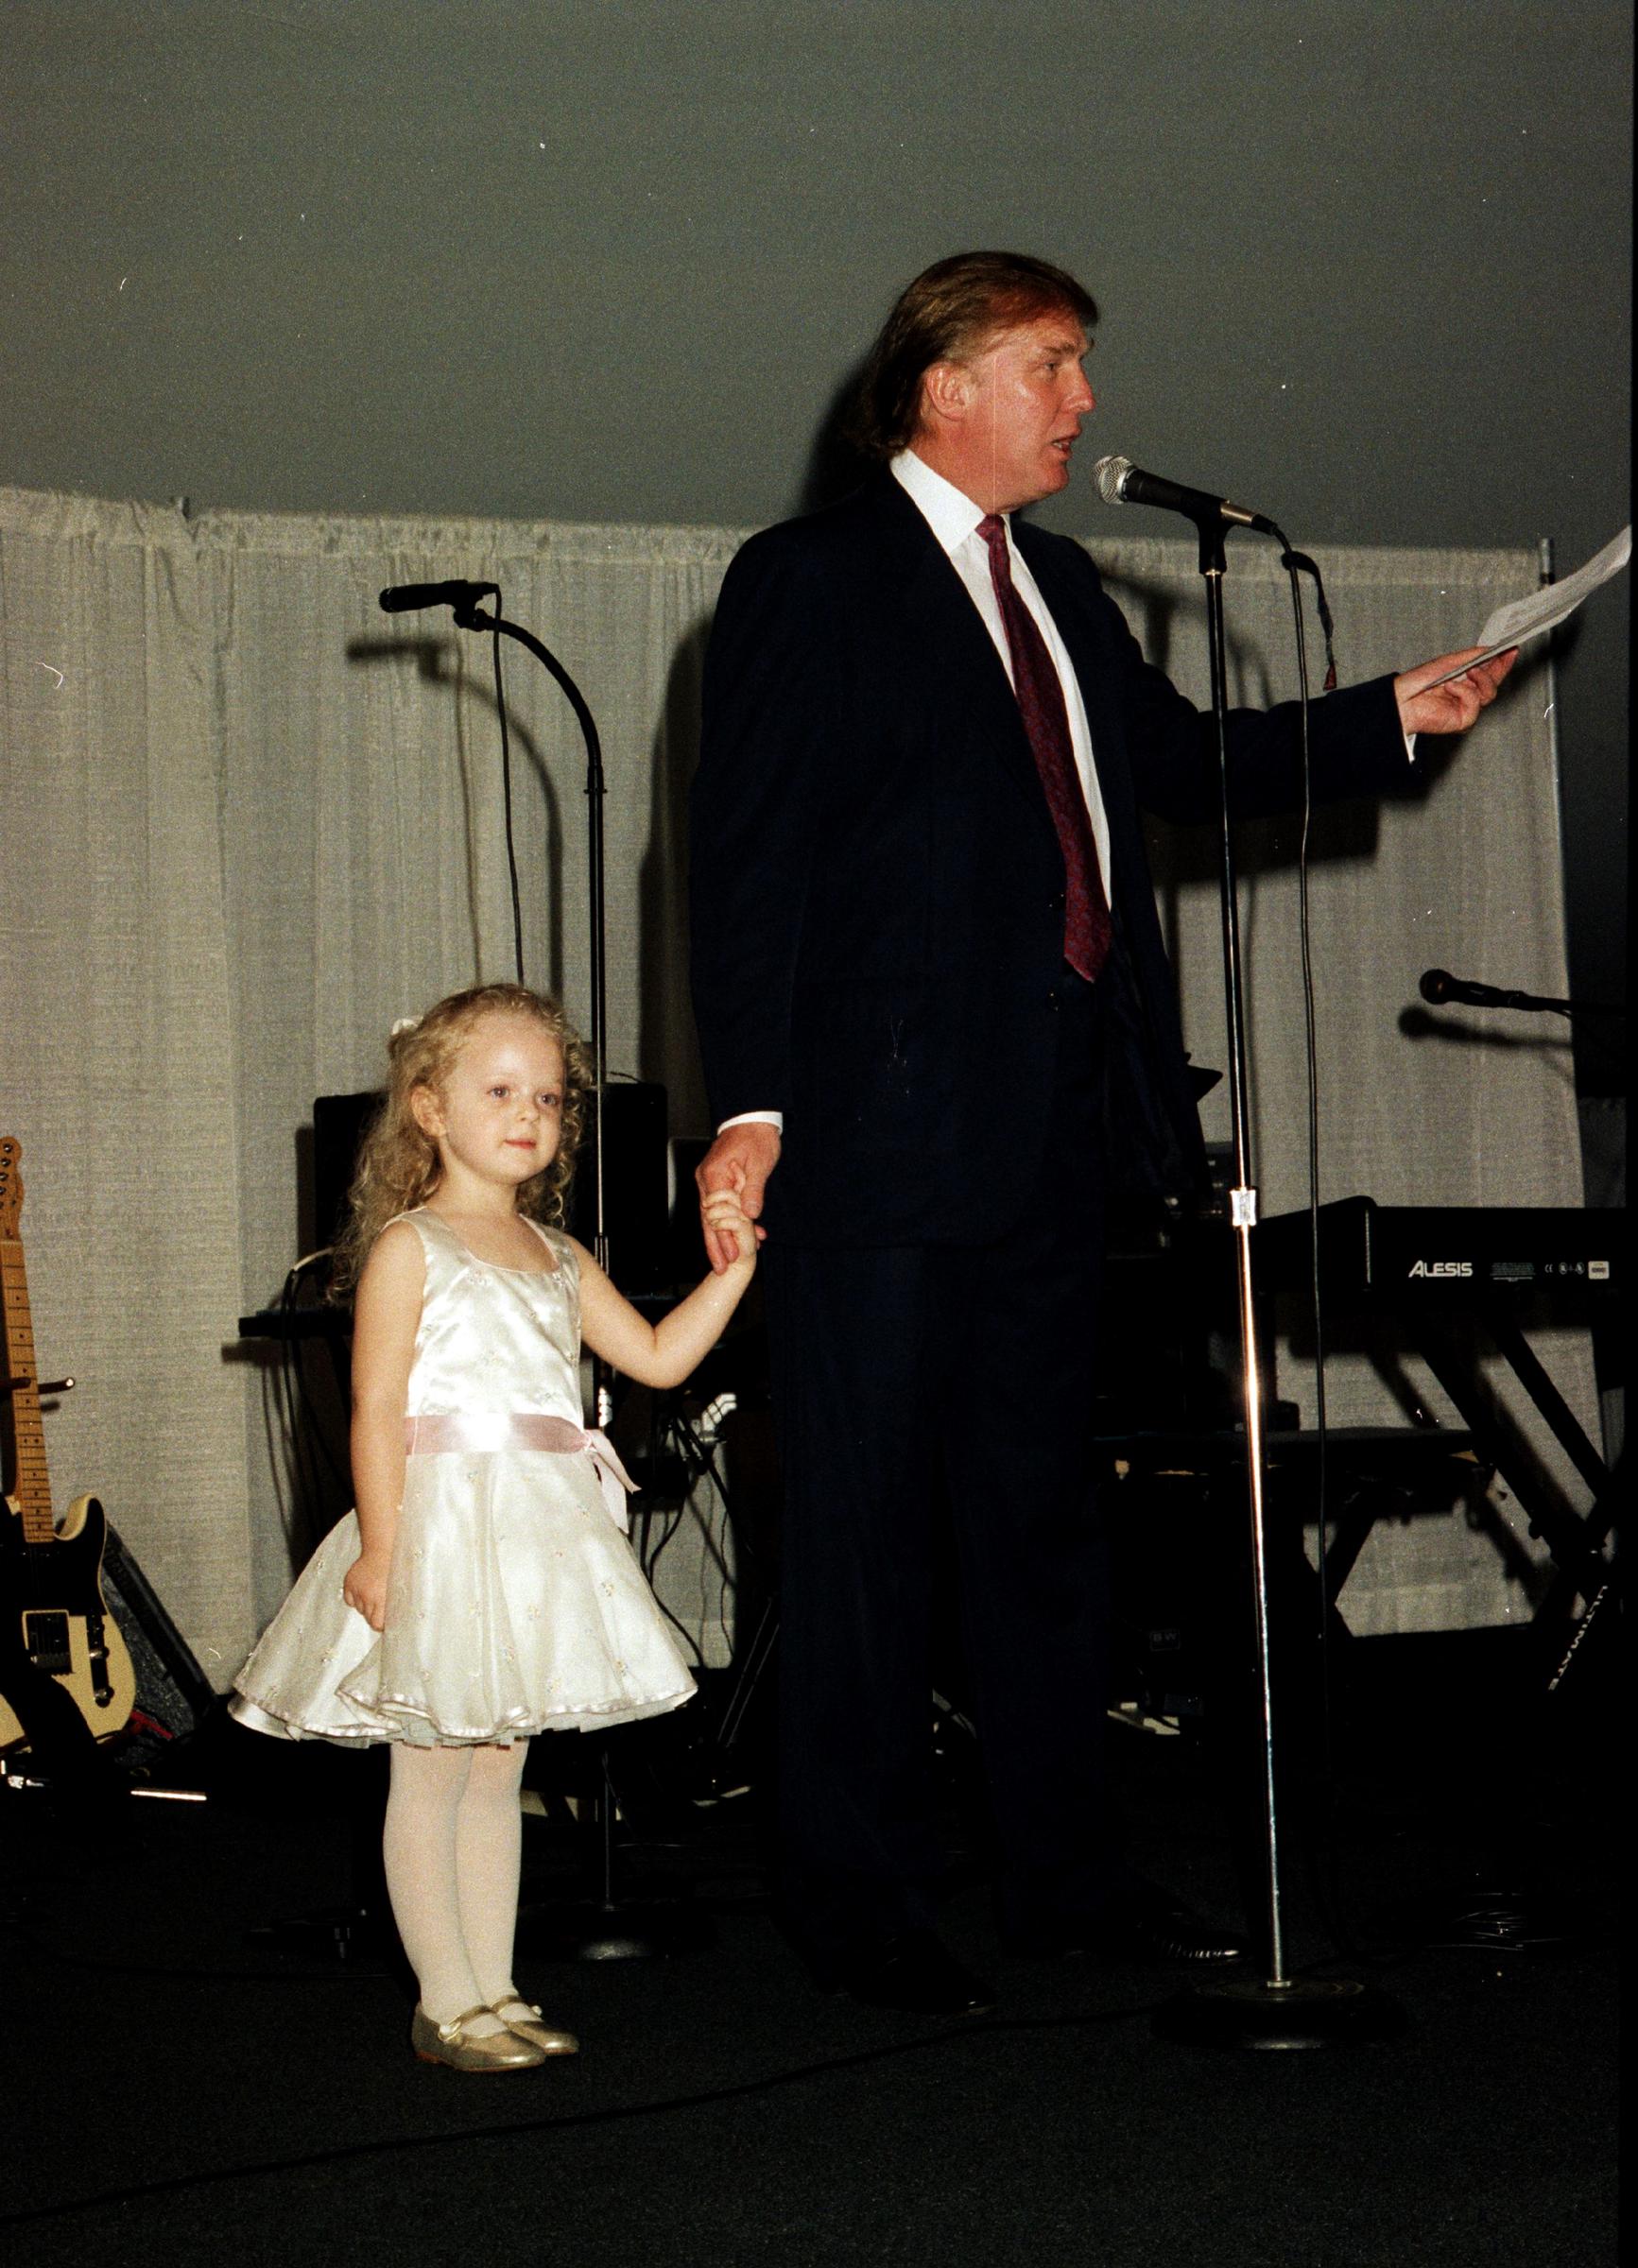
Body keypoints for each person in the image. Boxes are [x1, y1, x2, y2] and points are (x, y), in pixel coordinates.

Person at [688, 250, 1514, 2017]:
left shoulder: (1058, 584)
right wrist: (750, 1109)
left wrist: (1385, 716)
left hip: (1061, 1133)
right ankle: (856, 1898)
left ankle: (1065, 1880)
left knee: (1038, 1523)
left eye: (1077, 368)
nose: (1079, 402)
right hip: (877, 1139)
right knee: (860, 1530)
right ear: (942, 383)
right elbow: (748, 859)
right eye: (1050, 366)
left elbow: (1171, 767)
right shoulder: (805, 581)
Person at [233, 983, 757, 2070]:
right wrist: (381, 1549)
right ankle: (444, 2003)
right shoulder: (412, 1248)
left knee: (496, 1767)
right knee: (430, 1765)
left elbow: (656, 1360)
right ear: (428, 1108)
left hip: (531, 1536)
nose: (532, 1114)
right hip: (438, 1528)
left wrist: (733, 1273)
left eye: (552, 1098)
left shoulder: (557, 1254)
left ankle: (496, 1986)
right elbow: (376, 1406)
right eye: (501, 1090)